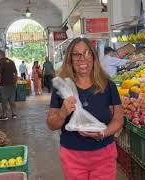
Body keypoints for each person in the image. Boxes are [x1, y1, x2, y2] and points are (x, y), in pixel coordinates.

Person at [47, 38, 124, 180]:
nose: (82, 59)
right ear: (70, 59)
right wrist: (62, 113)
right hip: (73, 155)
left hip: (104, 153)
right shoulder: (63, 88)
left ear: (94, 57)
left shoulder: (108, 85)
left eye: (87, 53)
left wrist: (104, 133)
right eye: (76, 54)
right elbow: (51, 125)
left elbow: (118, 118)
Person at [0, 50, 17, 120]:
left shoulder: (1, 62)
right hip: (12, 84)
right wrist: (15, 81)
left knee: (4, 100)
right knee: (12, 100)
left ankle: (4, 115)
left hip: (4, 85)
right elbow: (15, 73)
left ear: (0, 55)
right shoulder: (11, 62)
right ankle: (14, 114)